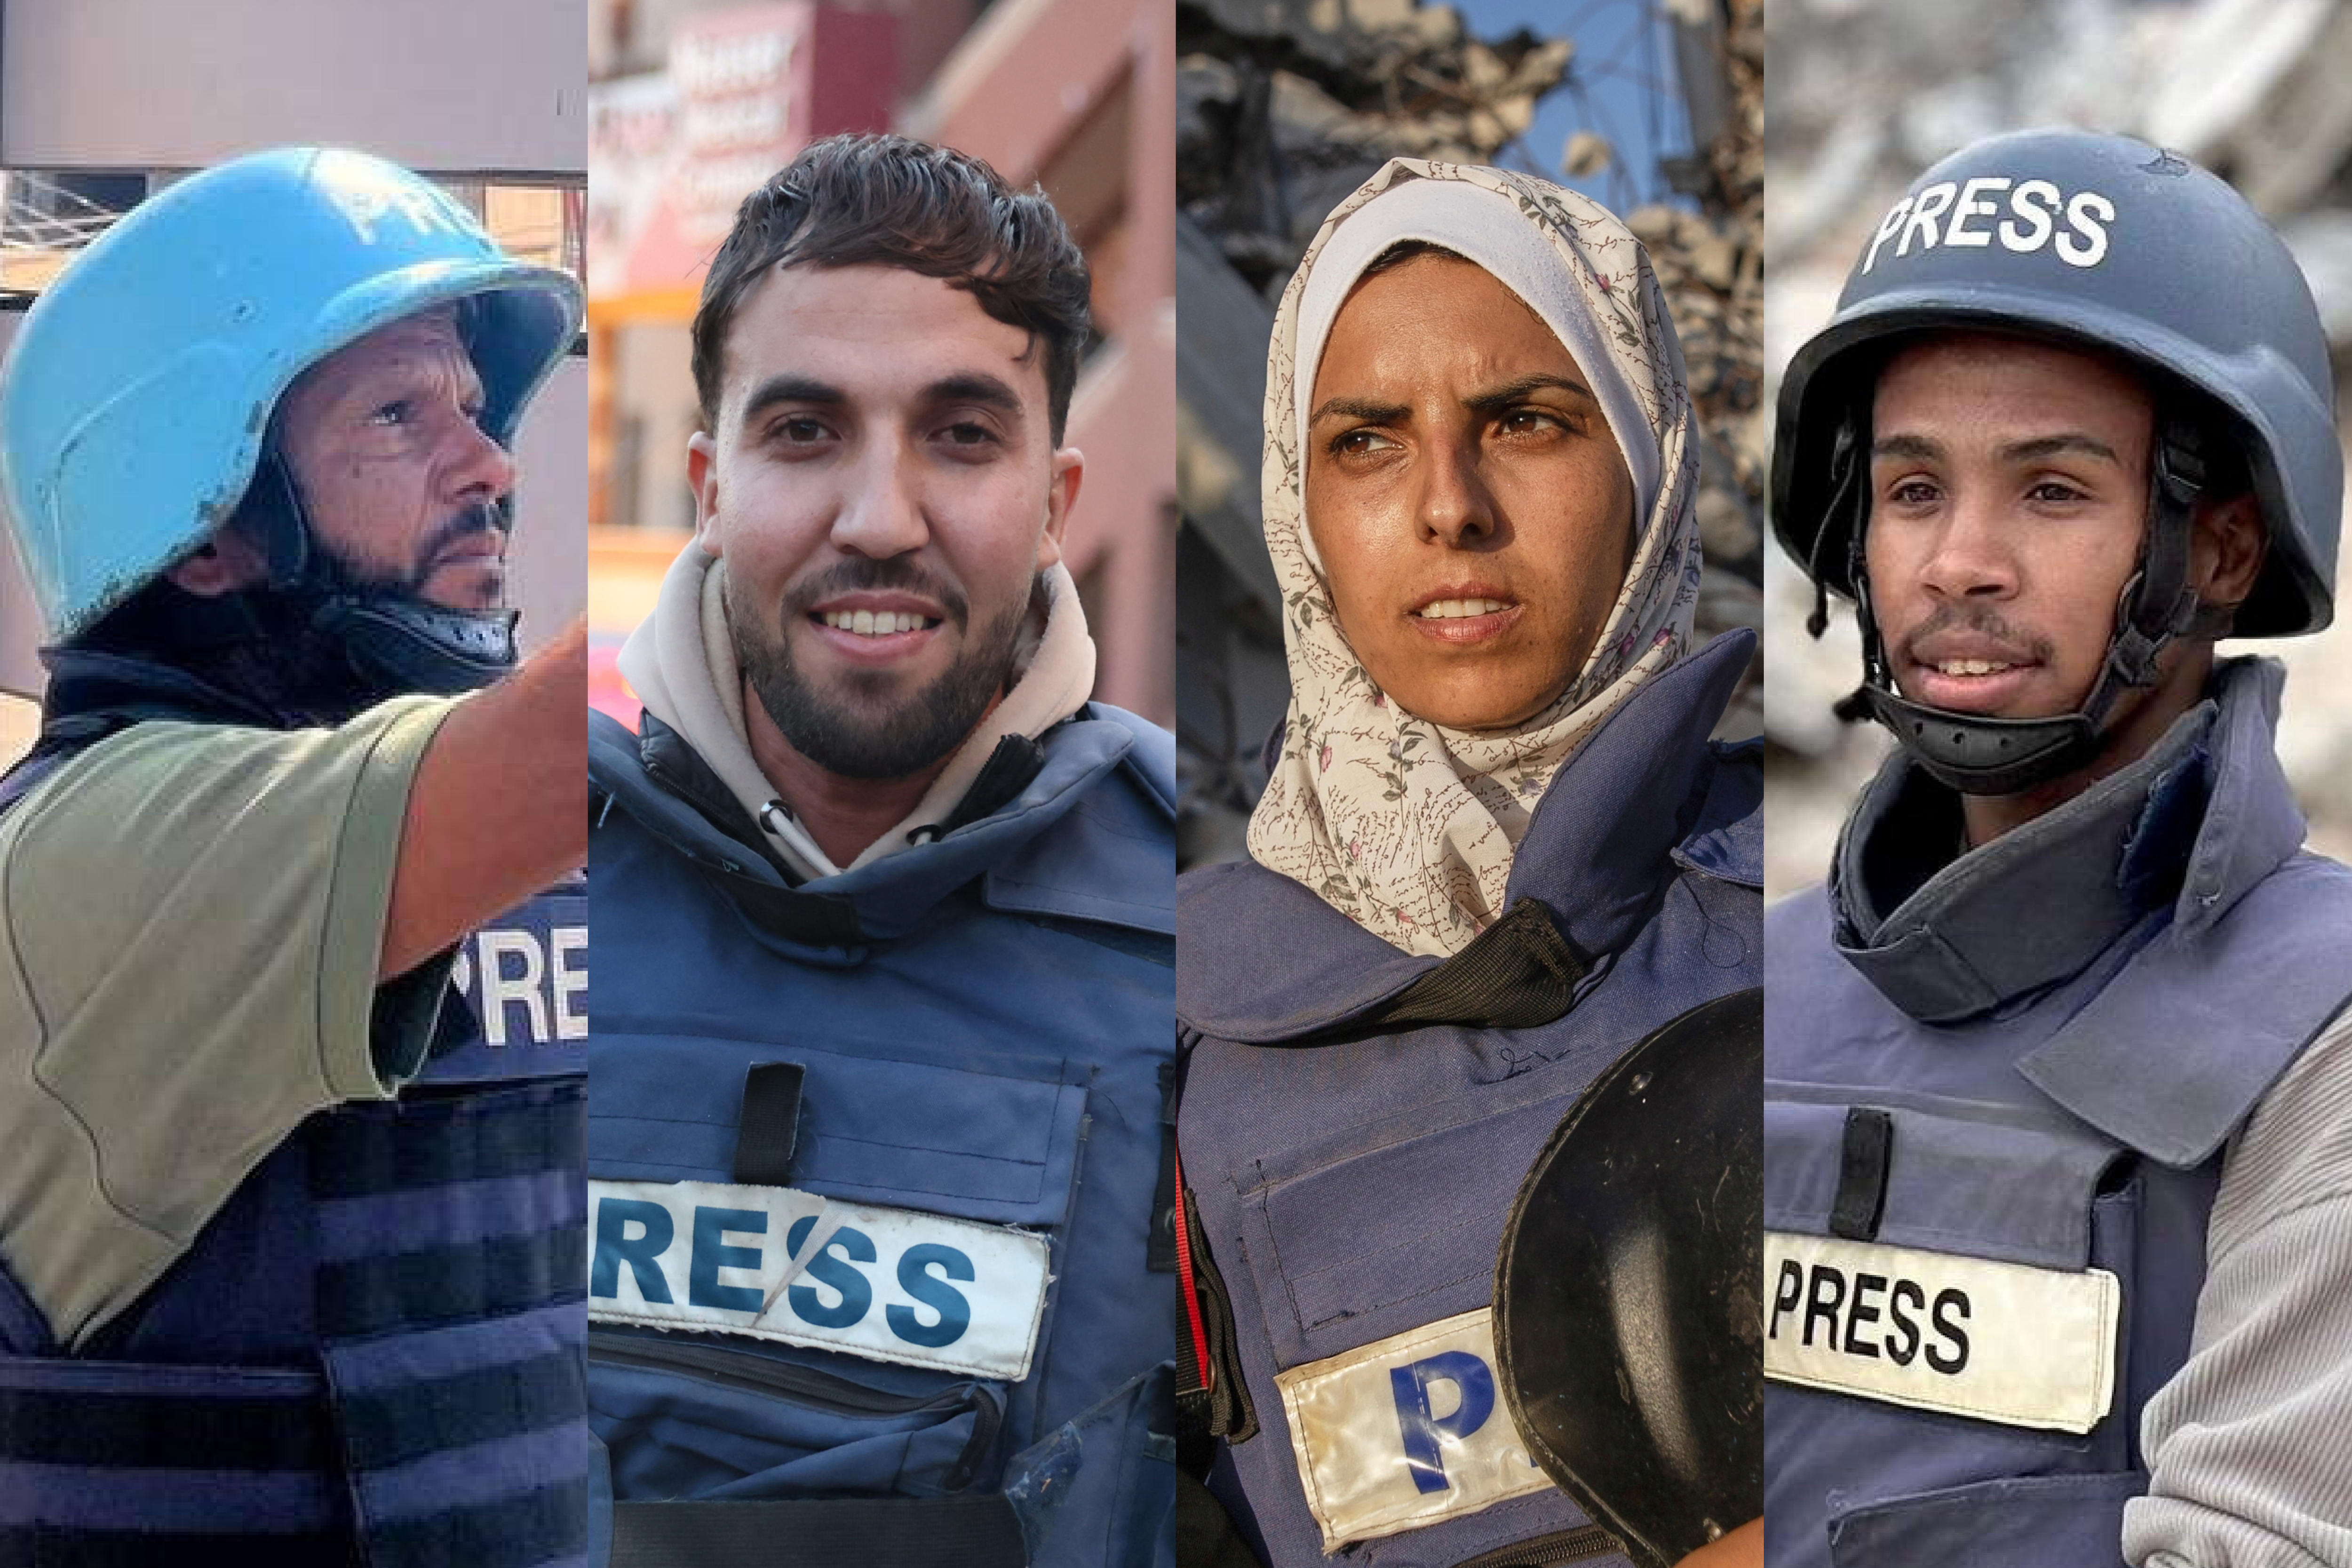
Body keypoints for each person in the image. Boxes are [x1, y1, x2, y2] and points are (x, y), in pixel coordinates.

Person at [584, 133, 1177, 1568]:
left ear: (1057, 500)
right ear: (709, 485)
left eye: (962, 435)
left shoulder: (1216, 926)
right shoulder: (496, 901)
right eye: (806, 432)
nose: (879, 520)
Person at [1766, 127, 2352, 1568]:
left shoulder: (2321, 1039)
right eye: (1912, 490)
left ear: (2217, 551)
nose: (1960, 561)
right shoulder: (1746, 986)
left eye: (2051, 490)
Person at [0, 148, 592, 1563]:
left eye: (471, 403)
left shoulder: (497, 850)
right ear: (210, 539)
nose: (492, 466)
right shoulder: (101, 850)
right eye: (400, 414)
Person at [1172, 158, 1764, 1568]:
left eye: (1528, 421)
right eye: (1368, 441)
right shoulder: (1165, 1039)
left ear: (1648, 459)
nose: (1450, 506)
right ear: (1295, 507)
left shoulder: (1834, 927)